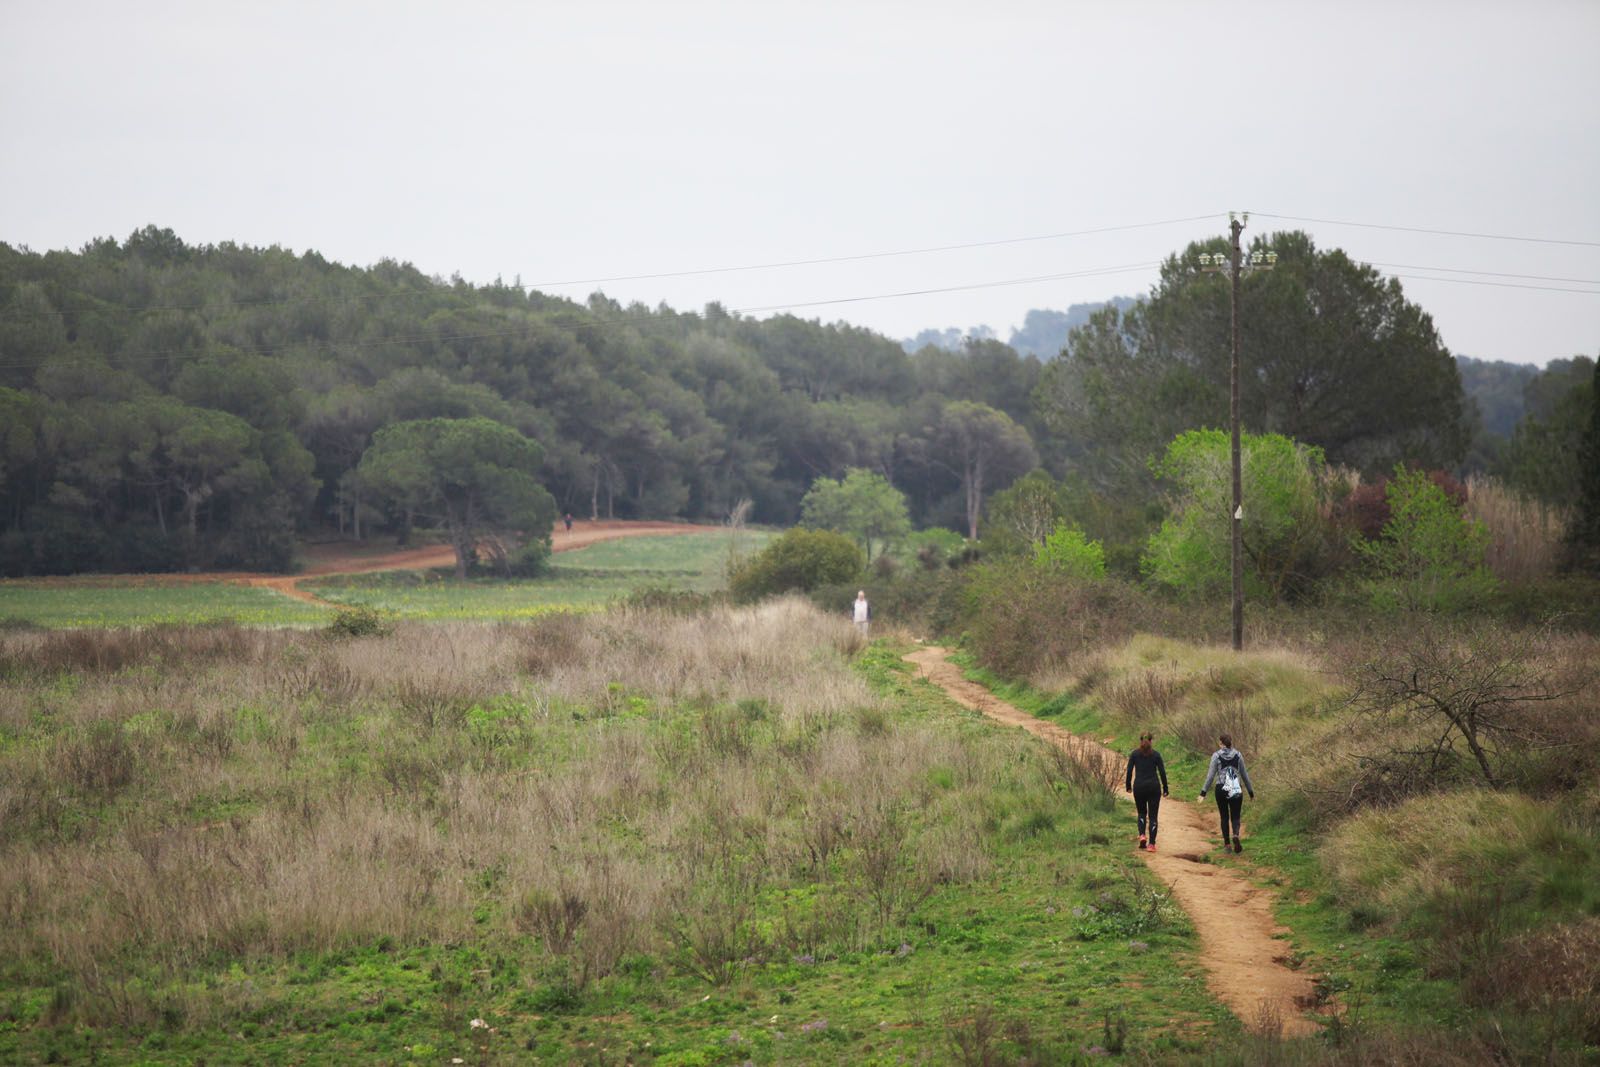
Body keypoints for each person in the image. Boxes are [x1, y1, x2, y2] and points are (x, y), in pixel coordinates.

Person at [1198, 733, 1255, 853]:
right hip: (1235, 788)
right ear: (1231, 743)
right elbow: (1245, 775)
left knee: (1224, 817)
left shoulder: (1216, 756)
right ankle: (1235, 835)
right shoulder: (1238, 755)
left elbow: (1210, 776)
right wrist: (1250, 792)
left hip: (1221, 788)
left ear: (1221, 743)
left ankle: (1227, 845)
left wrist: (1203, 793)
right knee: (1235, 816)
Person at [1124, 731, 1169, 851]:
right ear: (1151, 741)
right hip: (1154, 787)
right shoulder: (1156, 755)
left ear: (1140, 741)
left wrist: (1128, 785)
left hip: (1139, 787)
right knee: (1153, 816)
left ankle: (1142, 835)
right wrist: (1165, 788)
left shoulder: (1134, 754)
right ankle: (1152, 844)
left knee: (1141, 813)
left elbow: (1129, 771)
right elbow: (1162, 772)